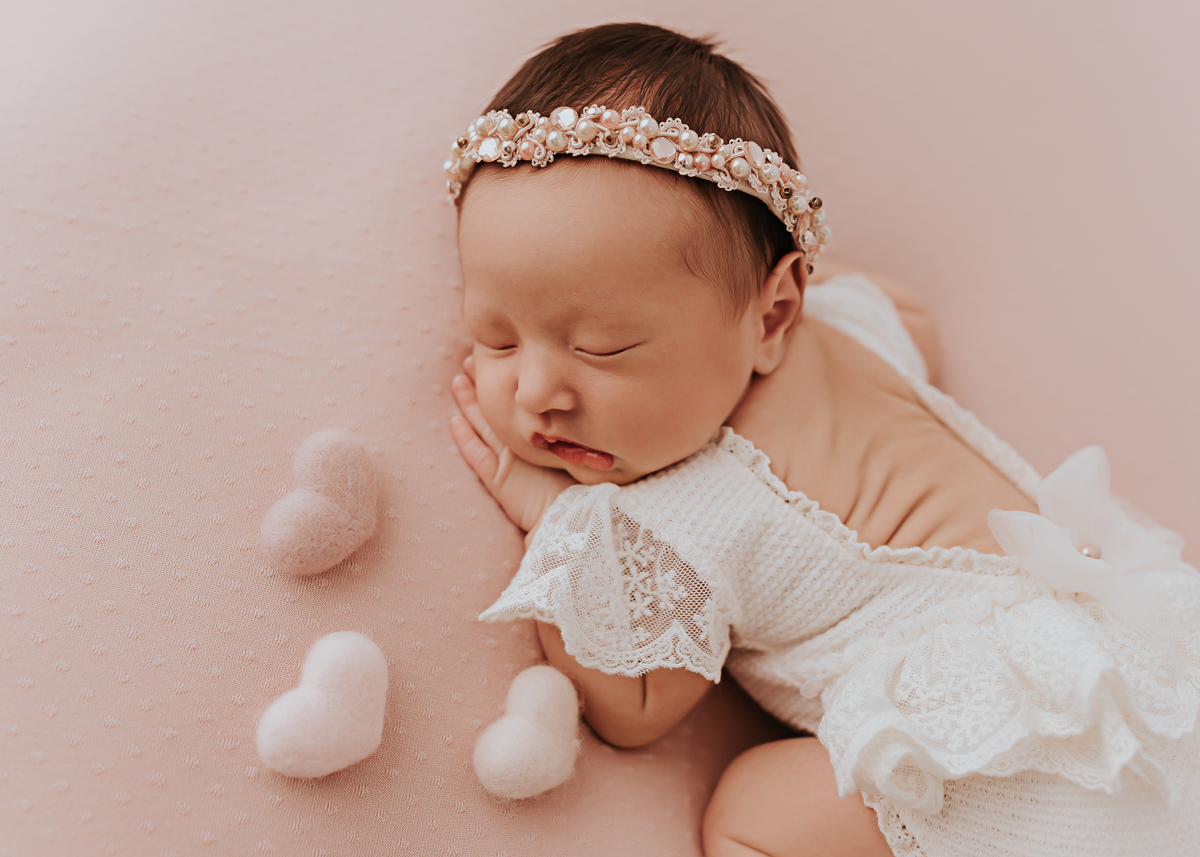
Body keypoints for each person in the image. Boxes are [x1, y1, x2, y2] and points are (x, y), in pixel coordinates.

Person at [445, 22, 1200, 857]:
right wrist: (748, 285)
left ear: (775, 315)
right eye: (496, 338)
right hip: (1142, 671)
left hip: (1017, 761)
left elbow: (637, 707)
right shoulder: (852, 327)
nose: (537, 393)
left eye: (602, 348)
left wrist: (556, 519)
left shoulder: (690, 511)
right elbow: (911, 312)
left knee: (750, 807)